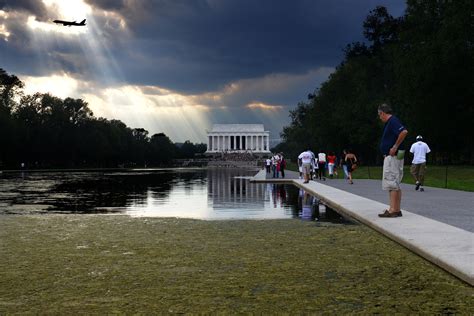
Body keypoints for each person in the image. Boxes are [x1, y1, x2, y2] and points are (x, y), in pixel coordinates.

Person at [377, 103, 408, 218]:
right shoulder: (392, 121)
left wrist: (394, 147)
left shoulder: (393, 121)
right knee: (395, 181)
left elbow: (404, 132)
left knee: (391, 182)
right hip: (397, 156)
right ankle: (396, 209)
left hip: (393, 156)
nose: (379, 117)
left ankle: (393, 210)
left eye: (379, 115)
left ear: (382, 113)